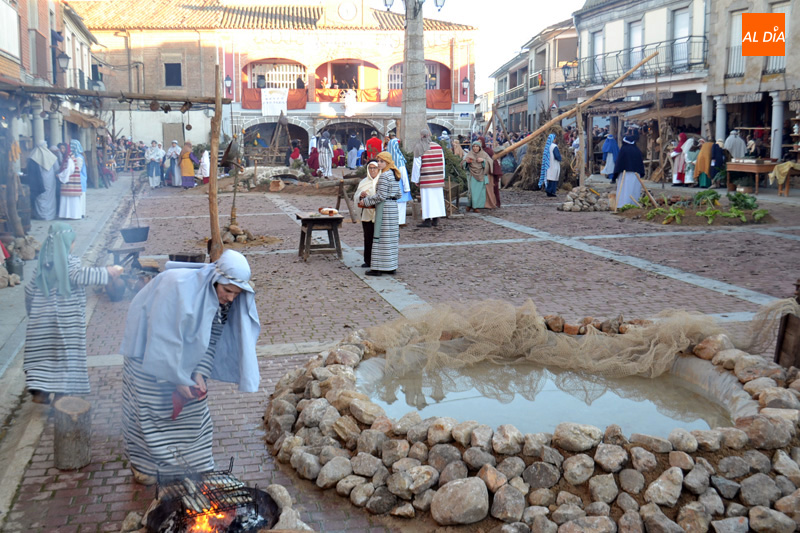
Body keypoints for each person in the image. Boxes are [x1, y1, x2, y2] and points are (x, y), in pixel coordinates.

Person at [120, 249, 260, 484]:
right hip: (147, 350)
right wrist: (177, 379)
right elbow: (162, 337)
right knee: (151, 408)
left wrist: (199, 372)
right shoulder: (176, 287)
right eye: (227, 291)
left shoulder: (224, 300)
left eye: (237, 293)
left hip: (186, 353)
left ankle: (196, 464)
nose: (231, 298)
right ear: (216, 279)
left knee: (195, 411)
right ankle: (145, 466)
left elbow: (213, 335)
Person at [24, 223, 122, 403]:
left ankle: (41, 392)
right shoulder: (70, 262)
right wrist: (107, 272)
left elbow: (29, 291)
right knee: (65, 357)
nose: (74, 245)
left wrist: (33, 314)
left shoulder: (42, 266)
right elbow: (79, 275)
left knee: (44, 356)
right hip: (66, 323)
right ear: (68, 244)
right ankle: (62, 397)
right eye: (73, 242)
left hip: (42, 322)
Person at [359, 153, 401, 276]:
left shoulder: (384, 176)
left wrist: (366, 201)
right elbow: (398, 194)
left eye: (382, 161)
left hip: (384, 208)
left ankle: (377, 268)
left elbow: (381, 196)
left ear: (387, 162)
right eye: (378, 161)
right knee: (391, 238)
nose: (379, 164)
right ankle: (390, 266)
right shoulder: (394, 175)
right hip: (393, 208)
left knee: (380, 237)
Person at [411, 128, 446, 228]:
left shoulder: (419, 147)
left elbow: (417, 165)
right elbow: (443, 163)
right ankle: (435, 220)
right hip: (438, 178)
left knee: (427, 200)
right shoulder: (438, 146)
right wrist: (442, 177)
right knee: (436, 199)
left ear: (421, 136)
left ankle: (427, 220)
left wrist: (416, 179)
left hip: (426, 178)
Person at [354, 160, 380, 268]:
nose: (372, 170)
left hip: (378, 213)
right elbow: (356, 196)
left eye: (375, 168)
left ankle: (379, 261)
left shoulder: (382, 181)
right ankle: (368, 260)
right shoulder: (364, 182)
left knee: (379, 238)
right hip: (367, 213)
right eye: (370, 168)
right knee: (368, 237)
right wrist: (361, 195)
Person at [28, 141, 58, 220]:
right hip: (50, 181)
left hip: (38, 181)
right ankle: (50, 215)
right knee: (50, 197)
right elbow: (57, 168)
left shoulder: (33, 156)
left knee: (40, 197)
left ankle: (41, 215)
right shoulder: (51, 156)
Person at [613, 135, 645, 209]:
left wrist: (615, 175)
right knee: (634, 189)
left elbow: (619, 162)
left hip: (625, 173)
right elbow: (640, 163)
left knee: (625, 189)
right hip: (636, 173)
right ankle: (634, 203)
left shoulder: (623, 149)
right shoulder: (637, 150)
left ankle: (623, 204)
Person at [387, 138, 412, 225]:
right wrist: (407, 188)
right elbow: (403, 176)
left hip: (389, 185)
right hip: (400, 185)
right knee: (401, 205)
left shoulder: (387, 160)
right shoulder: (399, 160)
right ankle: (400, 222)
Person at [463, 140, 490, 211]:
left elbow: (490, 162)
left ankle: (476, 206)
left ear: (479, 147)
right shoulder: (469, 154)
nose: (475, 148)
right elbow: (463, 163)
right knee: (471, 192)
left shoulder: (484, 154)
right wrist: (466, 162)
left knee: (478, 192)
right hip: (472, 175)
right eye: (474, 146)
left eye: (477, 146)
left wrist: (483, 160)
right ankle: (470, 205)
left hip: (480, 175)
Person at [57, 144, 82, 219]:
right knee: (68, 200)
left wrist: (60, 175)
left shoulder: (69, 158)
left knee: (70, 199)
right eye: (61, 148)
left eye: (64, 148)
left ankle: (71, 215)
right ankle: (68, 215)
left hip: (70, 182)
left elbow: (69, 170)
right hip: (71, 182)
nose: (62, 150)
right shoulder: (68, 157)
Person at [480, 137, 502, 208]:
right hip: (480, 173)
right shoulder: (476, 151)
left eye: (480, 142)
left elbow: (492, 161)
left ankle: (494, 203)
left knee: (491, 188)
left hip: (489, 172)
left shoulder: (488, 150)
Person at [70, 140, 88, 218]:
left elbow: (78, 169)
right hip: (79, 179)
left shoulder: (79, 158)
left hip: (80, 179)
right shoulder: (77, 156)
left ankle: (80, 213)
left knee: (80, 197)